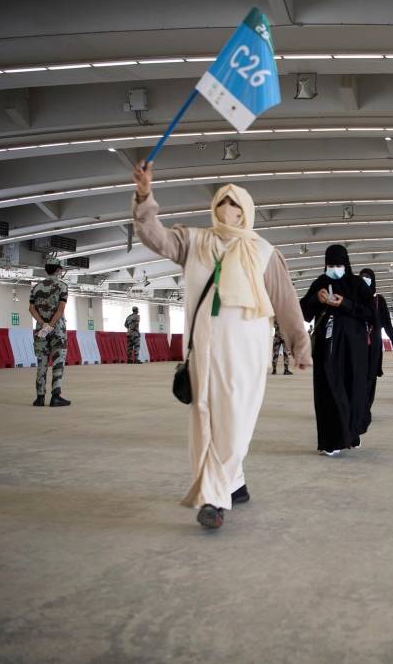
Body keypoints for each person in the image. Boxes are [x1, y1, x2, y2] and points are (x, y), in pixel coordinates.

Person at [132, 161, 310, 529]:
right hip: (203, 349)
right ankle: (227, 488)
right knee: (206, 420)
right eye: (222, 202)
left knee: (236, 422)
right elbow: (154, 236)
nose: (228, 209)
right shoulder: (194, 241)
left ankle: (217, 493)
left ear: (247, 211)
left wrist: (300, 346)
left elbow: (286, 302)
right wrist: (145, 195)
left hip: (247, 353)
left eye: (235, 204)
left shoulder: (263, 251)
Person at [301, 245, 374, 456]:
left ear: (346, 264)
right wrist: (316, 299)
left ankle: (352, 433)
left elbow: (371, 313)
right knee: (328, 391)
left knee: (353, 390)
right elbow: (304, 311)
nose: (334, 269)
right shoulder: (320, 283)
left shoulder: (357, 284)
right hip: (326, 349)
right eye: (330, 265)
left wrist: (346, 304)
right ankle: (331, 440)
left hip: (353, 350)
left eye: (338, 265)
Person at [358, 268, 393, 434]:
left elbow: (387, 324)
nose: (365, 279)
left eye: (368, 277)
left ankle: (365, 408)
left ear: (373, 280)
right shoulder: (353, 296)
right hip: (356, 344)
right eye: (362, 276)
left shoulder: (378, 300)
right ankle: (358, 407)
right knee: (356, 376)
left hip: (373, 346)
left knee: (370, 377)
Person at [29, 258, 71, 407]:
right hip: (57, 330)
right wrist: (51, 326)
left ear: (46, 269)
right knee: (58, 362)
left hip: (41, 330)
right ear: (58, 270)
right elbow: (60, 309)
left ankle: (40, 397)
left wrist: (43, 325)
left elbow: (31, 309)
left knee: (42, 362)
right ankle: (55, 396)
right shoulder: (62, 286)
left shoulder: (36, 287)